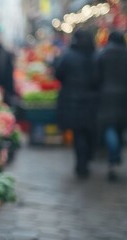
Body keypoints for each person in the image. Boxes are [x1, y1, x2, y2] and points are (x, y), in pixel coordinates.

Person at [54, 29, 98, 178]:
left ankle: (81, 164)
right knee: (89, 131)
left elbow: (58, 74)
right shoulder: (96, 55)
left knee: (78, 133)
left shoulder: (68, 56)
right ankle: (87, 159)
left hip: (72, 100)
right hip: (92, 100)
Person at [95, 30, 127, 181]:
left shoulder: (103, 54)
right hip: (124, 97)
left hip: (106, 96)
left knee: (110, 127)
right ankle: (117, 155)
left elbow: (96, 76)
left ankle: (113, 158)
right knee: (120, 126)